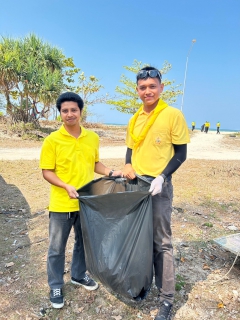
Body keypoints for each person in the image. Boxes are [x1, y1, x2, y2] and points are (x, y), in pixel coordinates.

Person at [39, 92, 122, 309]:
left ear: (80, 111)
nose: (69, 114)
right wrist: (65, 186)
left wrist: (112, 171)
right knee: (56, 248)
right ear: (60, 114)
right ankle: (56, 284)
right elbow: (47, 171)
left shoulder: (92, 137)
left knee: (83, 243)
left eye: (73, 110)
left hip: (86, 203)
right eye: (64, 111)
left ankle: (78, 274)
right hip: (61, 204)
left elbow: (95, 163)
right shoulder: (52, 140)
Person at [123, 66, 190, 320]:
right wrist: (128, 165)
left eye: (152, 86)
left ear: (161, 88)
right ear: (137, 90)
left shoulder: (172, 115)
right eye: (143, 87)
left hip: (159, 186)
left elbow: (181, 154)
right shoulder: (134, 118)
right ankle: (142, 284)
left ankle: (166, 300)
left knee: (162, 243)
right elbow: (131, 149)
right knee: (139, 238)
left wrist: (163, 176)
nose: (147, 91)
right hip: (136, 185)